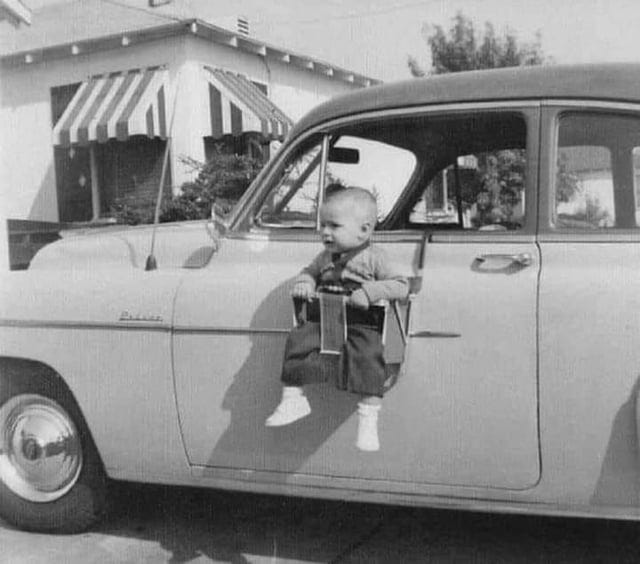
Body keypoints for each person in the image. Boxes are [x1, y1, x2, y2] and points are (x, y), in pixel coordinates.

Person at [265, 185, 409, 451]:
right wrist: (305, 283)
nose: (325, 232)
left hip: (361, 321)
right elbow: (308, 272)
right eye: (323, 225)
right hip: (328, 316)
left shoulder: (376, 258)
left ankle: (368, 418)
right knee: (299, 340)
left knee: (368, 359)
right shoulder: (324, 258)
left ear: (364, 230)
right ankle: (293, 396)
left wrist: (369, 291)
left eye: (334, 226)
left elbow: (401, 285)